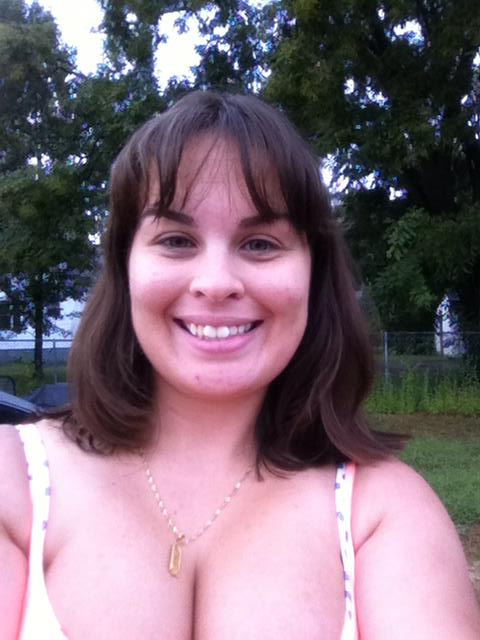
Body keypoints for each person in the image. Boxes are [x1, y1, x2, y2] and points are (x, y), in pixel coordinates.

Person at [1, 91, 479, 640]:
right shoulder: (13, 481)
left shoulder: (384, 514)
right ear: (125, 265)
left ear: (313, 274)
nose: (216, 283)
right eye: (176, 240)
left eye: (259, 244)